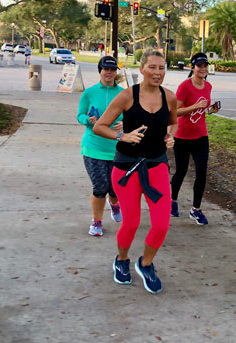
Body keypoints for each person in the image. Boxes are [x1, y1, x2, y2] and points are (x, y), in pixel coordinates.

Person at [93, 49, 177, 294]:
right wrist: (122, 135)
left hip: (156, 165)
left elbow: (172, 122)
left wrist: (169, 136)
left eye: (162, 68)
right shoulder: (127, 96)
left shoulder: (169, 97)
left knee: (161, 224)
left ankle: (146, 263)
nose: (157, 72)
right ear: (142, 69)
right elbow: (100, 126)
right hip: (126, 168)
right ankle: (121, 260)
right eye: (152, 67)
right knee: (131, 222)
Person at [77, 56, 124, 236]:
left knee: (114, 188)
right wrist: (87, 120)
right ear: (100, 71)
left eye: (113, 70)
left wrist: (125, 124)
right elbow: (80, 115)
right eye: (106, 69)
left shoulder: (122, 93)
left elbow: (131, 115)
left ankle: (114, 204)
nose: (109, 73)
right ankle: (96, 222)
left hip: (116, 149)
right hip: (93, 147)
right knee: (100, 186)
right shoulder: (89, 93)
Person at [170, 53, 219, 225]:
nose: (203, 69)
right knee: (181, 171)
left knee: (201, 172)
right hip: (182, 136)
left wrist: (210, 110)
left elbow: (202, 110)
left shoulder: (208, 86)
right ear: (192, 68)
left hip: (201, 135)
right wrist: (193, 107)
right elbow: (174, 111)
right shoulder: (185, 86)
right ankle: (173, 200)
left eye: (205, 66)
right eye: (199, 66)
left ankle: (196, 209)